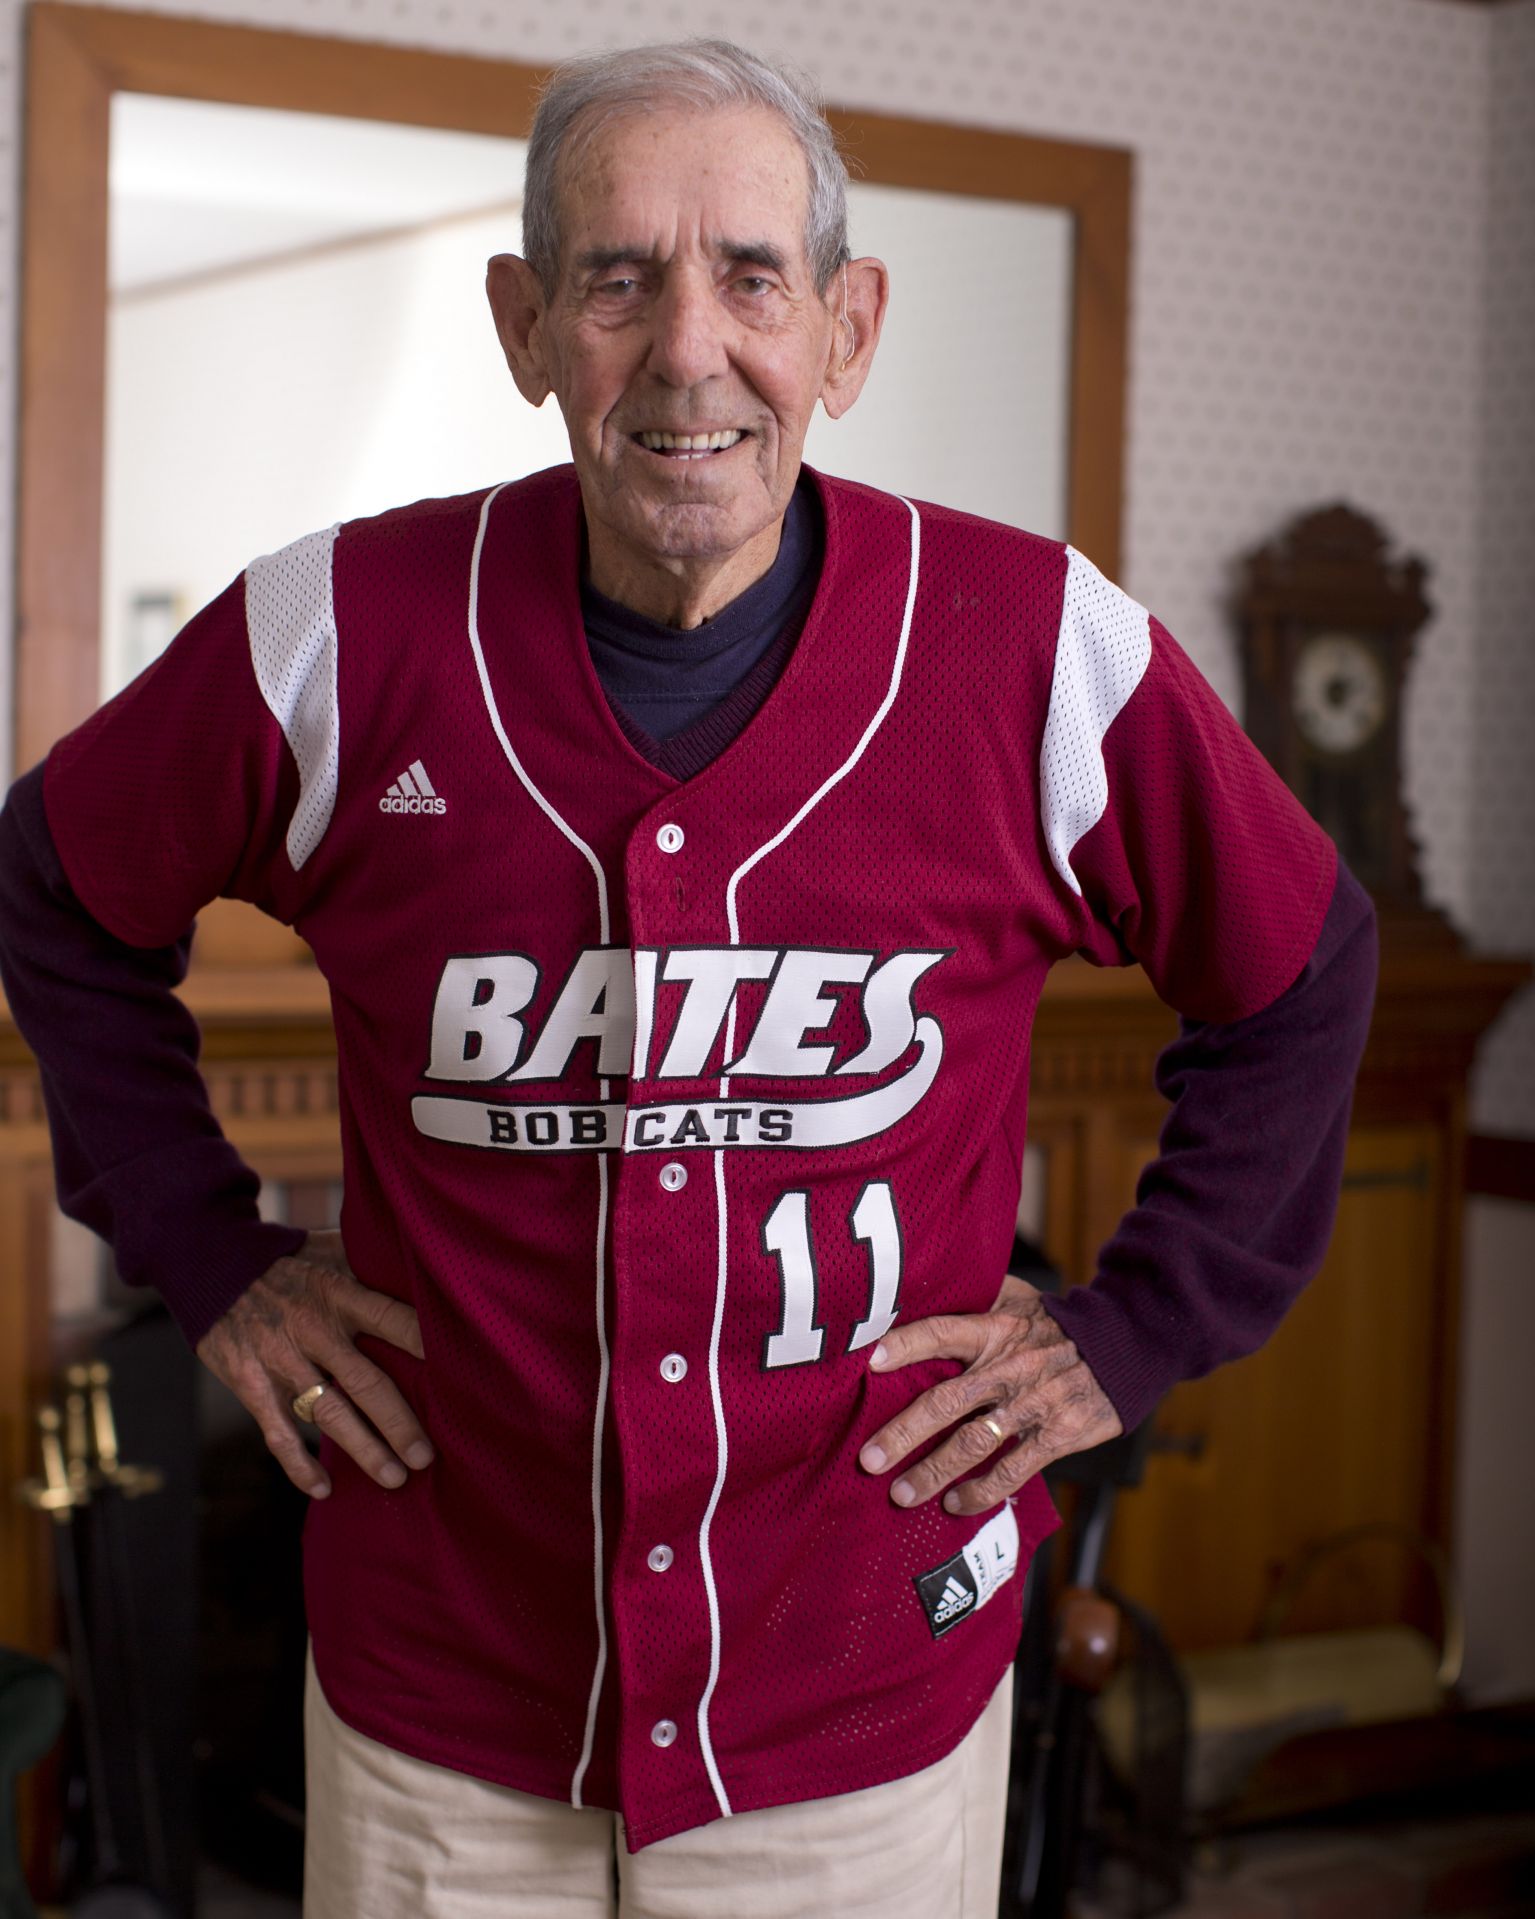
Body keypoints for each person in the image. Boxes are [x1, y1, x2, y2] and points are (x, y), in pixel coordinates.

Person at [0, 37, 1376, 1919]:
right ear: (524, 321)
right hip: (446, 1707)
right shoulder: (336, 633)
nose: (687, 349)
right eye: (617, 276)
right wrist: (207, 1252)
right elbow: (51, 887)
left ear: (846, 326)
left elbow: (1304, 965)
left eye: (751, 276)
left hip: (864, 1693)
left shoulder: (1034, 649)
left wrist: (1132, 1329)